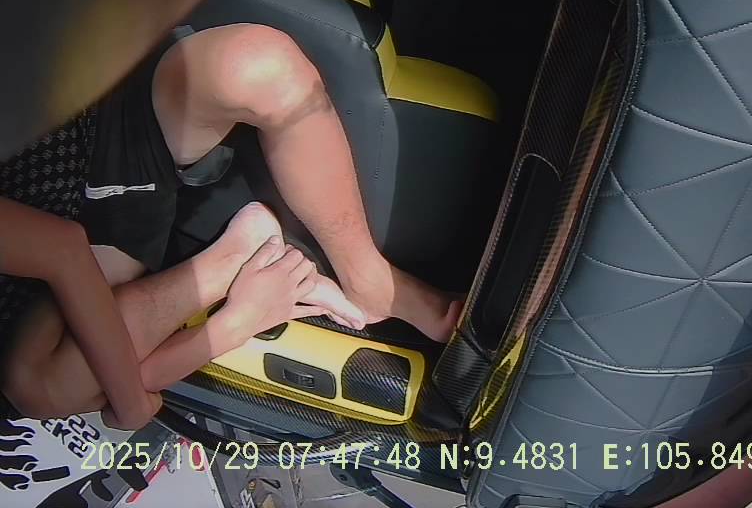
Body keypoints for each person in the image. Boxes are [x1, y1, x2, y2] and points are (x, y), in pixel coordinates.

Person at [1, 21, 462, 428]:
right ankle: (239, 265)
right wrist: (231, 327)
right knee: (45, 389)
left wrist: (133, 406)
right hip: (64, 252)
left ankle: (365, 277)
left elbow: (61, 250)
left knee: (263, 64)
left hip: (83, 106)